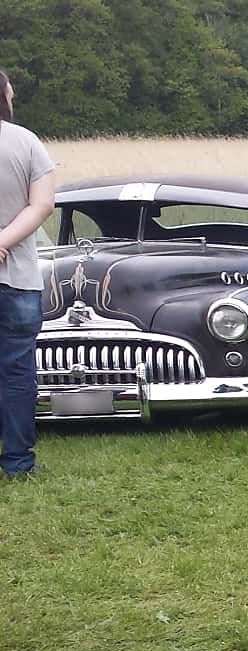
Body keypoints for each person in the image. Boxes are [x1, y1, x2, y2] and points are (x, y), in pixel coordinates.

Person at [0, 69, 55, 481]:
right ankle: (18, 461)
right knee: (17, 371)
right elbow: (42, 207)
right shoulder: (26, 142)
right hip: (16, 275)